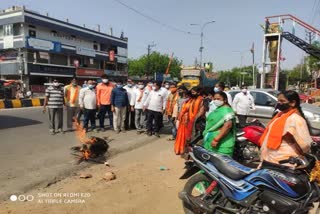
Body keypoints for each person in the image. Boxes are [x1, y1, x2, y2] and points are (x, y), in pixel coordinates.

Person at [259, 90, 312, 165]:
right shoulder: (280, 115)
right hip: (271, 159)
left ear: (292, 103)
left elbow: (305, 145)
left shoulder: (295, 119)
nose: (279, 103)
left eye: (282, 101)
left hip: (285, 161)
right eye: (278, 101)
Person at [203, 91, 236, 156]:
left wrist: (216, 139)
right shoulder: (219, 108)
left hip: (222, 143)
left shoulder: (226, 110)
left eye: (218, 99)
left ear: (225, 100)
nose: (216, 101)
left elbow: (228, 126)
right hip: (212, 141)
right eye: (214, 99)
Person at [174, 87, 204, 155]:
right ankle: (184, 150)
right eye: (192, 92)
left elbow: (201, 112)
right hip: (185, 121)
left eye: (194, 92)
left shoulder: (201, 100)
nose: (192, 94)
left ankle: (191, 153)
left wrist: (194, 119)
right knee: (186, 136)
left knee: (193, 137)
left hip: (195, 121)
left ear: (198, 92)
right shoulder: (190, 100)